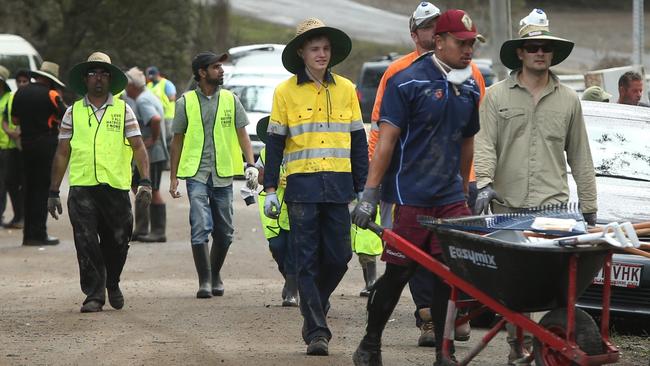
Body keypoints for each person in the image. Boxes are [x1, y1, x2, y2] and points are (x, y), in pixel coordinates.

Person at [351, 9, 481, 366]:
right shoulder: (405, 82)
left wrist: (464, 188)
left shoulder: (469, 85)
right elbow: (387, 140)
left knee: (448, 275)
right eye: (461, 43)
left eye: (472, 44)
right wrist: (370, 194)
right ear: (439, 42)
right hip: (410, 197)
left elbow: (467, 141)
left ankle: (445, 352)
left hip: (450, 197)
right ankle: (370, 343)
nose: (468, 50)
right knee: (398, 273)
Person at [473, 9, 598, 365]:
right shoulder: (497, 96)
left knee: (558, 286)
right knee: (516, 290)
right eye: (532, 47)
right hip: (508, 207)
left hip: (553, 209)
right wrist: (484, 183)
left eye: (545, 47)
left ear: (553, 53)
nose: (539, 52)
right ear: (520, 53)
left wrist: (588, 206)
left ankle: (555, 342)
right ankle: (517, 347)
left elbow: (581, 156)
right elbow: (485, 145)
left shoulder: (569, 100)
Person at [263, 18, 368, 356]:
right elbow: (276, 143)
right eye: (314, 49)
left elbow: (357, 141)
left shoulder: (347, 89)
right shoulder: (284, 92)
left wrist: (362, 189)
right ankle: (317, 332)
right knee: (306, 260)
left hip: (339, 187)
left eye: (325, 48)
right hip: (302, 187)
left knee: (340, 257)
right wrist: (269, 190)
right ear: (301, 53)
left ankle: (314, 307)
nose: (321, 54)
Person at [47, 52, 152, 313]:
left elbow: (138, 147)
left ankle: (112, 281)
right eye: (93, 73)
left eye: (104, 73)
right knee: (85, 240)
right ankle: (94, 293)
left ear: (110, 79)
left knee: (117, 241)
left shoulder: (123, 109)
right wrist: (53, 191)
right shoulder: (73, 112)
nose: (98, 78)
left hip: (115, 187)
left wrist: (146, 182)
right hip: (82, 187)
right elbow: (62, 152)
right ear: (85, 79)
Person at [169, 51, 258, 299]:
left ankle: (215, 272)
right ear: (201, 72)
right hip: (196, 174)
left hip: (223, 174)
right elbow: (177, 141)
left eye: (221, 66)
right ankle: (205, 280)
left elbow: (243, 135)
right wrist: (173, 176)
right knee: (200, 225)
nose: (221, 70)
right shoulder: (185, 103)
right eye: (216, 67)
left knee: (225, 231)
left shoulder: (231, 100)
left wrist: (250, 164)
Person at [11, 61, 67, 246]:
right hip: (45, 145)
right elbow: (65, 115)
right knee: (43, 189)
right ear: (51, 80)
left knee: (28, 189)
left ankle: (28, 235)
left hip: (25, 145)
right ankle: (39, 234)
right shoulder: (51, 94)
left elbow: (15, 119)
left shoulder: (21, 91)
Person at [254, 116, 298, 307]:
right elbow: (260, 178)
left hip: (297, 207)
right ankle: (290, 280)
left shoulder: (300, 150)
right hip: (274, 209)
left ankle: (292, 291)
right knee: (278, 247)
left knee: (295, 248)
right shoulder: (266, 151)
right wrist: (276, 178)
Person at [125, 67, 168, 243]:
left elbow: (156, 119)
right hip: (151, 153)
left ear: (133, 86)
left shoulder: (142, 100)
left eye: (127, 85)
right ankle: (141, 228)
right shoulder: (147, 95)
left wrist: (153, 139)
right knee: (138, 187)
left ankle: (158, 231)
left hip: (154, 154)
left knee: (154, 190)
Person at [1, 68, 27, 229]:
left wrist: (15, 133)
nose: (22, 84)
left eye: (25, 81)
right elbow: (5, 119)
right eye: (20, 81)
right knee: (7, 184)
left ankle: (21, 216)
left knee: (11, 183)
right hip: (6, 145)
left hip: (11, 148)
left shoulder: (10, 98)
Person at [146, 66, 176, 151]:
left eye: (153, 76)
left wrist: (158, 99)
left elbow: (172, 98)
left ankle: (170, 160)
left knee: (168, 139)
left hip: (167, 116)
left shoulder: (167, 83)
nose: (151, 78)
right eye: (149, 77)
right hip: (155, 116)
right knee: (159, 140)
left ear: (157, 74)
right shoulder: (149, 85)